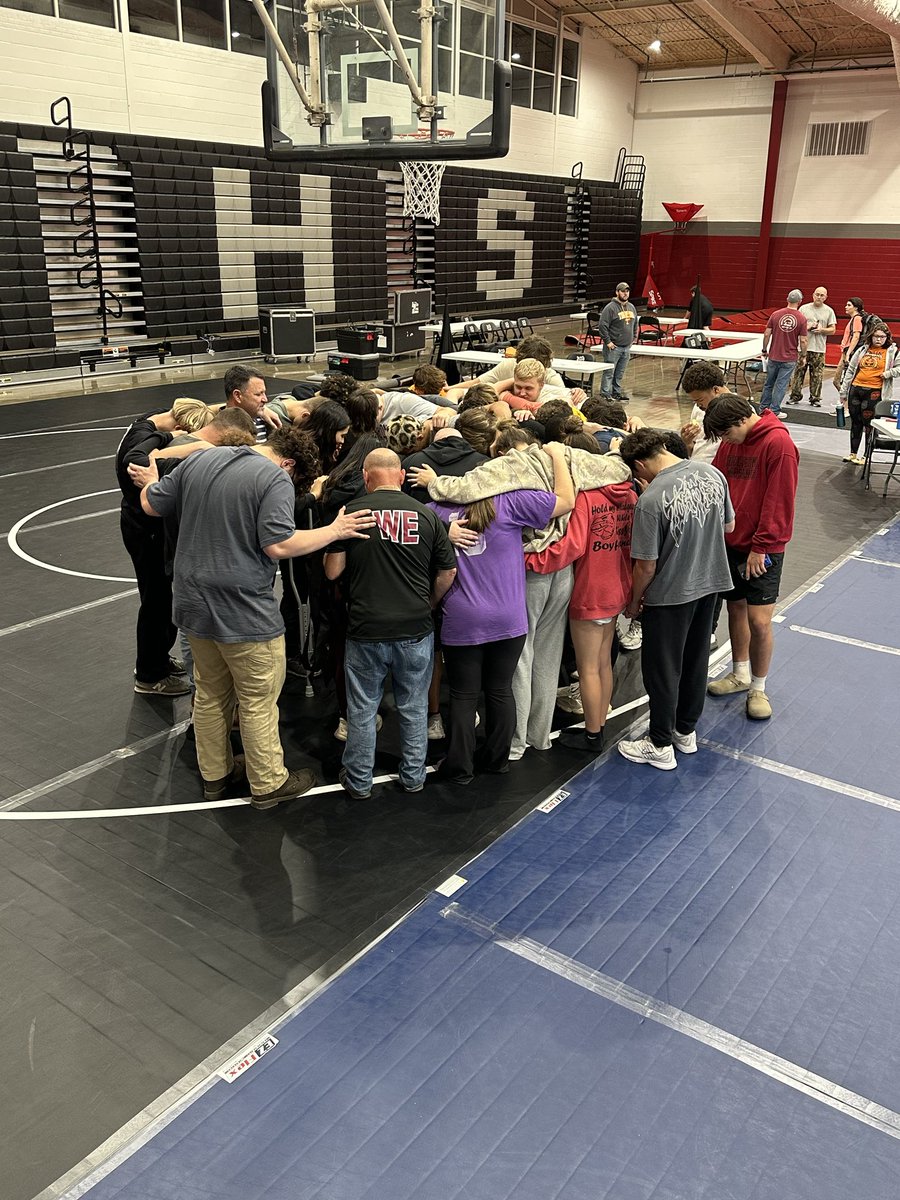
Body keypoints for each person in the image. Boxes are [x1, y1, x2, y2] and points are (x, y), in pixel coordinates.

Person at [133, 428, 375, 809]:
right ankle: (268, 783)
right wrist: (333, 531)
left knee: (210, 693)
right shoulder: (273, 477)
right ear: (289, 463)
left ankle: (215, 774)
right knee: (258, 698)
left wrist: (151, 482)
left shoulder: (199, 460)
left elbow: (150, 505)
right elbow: (278, 544)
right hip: (242, 609)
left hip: (193, 603)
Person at [425, 441, 575, 784]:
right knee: (500, 689)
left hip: (462, 618)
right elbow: (567, 501)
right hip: (509, 618)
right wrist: (555, 456)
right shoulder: (512, 501)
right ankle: (497, 760)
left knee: (463, 695)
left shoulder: (438, 510)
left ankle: (459, 767)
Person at [324, 449, 457, 799]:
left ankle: (358, 782)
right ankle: (413, 777)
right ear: (399, 477)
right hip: (414, 627)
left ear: (367, 479)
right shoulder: (427, 516)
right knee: (414, 707)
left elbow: (333, 571)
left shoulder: (352, 513)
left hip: (366, 628)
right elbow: (448, 572)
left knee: (363, 708)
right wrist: (428, 603)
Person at [613, 430, 734, 770]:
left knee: (662, 670)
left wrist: (635, 602)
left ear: (639, 465)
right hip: (710, 584)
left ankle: (659, 743)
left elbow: (646, 565)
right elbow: (729, 525)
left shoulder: (651, 500)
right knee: (696, 662)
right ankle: (685, 731)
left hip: (670, 595)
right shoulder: (713, 474)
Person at [526, 449, 636, 756]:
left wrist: (530, 558)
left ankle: (592, 735)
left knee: (587, 668)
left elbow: (571, 546)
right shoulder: (630, 495)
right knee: (603, 663)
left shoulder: (587, 499)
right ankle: (599, 722)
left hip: (590, 591)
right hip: (617, 587)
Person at [703, 393, 799, 722]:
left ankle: (758, 686)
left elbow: (780, 501)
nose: (725, 441)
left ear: (742, 420)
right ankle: (739, 673)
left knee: (759, 621)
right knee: (736, 609)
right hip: (731, 540)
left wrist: (762, 546)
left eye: (727, 433)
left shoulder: (778, 445)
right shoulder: (732, 442)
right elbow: (717, 483)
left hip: (762, 546)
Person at [115, 400, 213, 697]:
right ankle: (149, 675)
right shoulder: (148, 441)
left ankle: (156, 658)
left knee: (158, 600)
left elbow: (178, 413)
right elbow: (137, 459)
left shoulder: (147, 421)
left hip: (138, 524)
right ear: (180, 428)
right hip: (147, 531)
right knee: (157, 603)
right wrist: (176, 445)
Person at [839, 323, 899, 466]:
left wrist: (888, 373)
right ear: (871, 337)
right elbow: (851, 369)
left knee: (869, 425)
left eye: (882, 337)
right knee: (855, 423)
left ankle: (867, 455)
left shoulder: (893, 352)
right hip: (856, 388)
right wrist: (843, 390)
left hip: (875, 391)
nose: (879, 339)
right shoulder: (862, 350)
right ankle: (853, 453)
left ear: (887, 338)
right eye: (876, 336)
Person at [760, 290, 808, 420]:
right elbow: (803, 340)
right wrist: (803, 355)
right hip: (789, 357)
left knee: (769, 383)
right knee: (781, 385)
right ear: (800, 302)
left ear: (787, 299)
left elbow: (766, 334)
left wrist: (764, 349)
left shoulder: (775, 315)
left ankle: (763, 408)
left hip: (774, 355)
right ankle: (774, 410)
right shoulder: (802, 318)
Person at [787, 286, 836, 407]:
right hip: (802, 347)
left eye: (822, 295)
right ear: (813, 295)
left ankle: (815, 398)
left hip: (819, 348)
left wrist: (822, 329)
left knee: (817, 374)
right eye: (817, 294)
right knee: (798, 372)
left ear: (825, 297)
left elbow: (833, 330)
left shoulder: (829, 311)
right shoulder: (804, 308)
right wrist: (807, 327)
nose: (819, 297)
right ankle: (795, 396)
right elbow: (796, 325)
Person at [598, 282, 637, 402]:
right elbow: (602, 326)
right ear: (617, 292)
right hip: (613, 347)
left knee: (619, 372)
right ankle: (605, 394)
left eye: (627, 291)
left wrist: (633, 337)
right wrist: (608, 341)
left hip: (626, 347)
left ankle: (616, 393)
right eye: (623, 291)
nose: (625, 293)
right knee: (609, 372)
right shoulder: (610, 308)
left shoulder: (631, 307)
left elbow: (635, 324)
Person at [222, 364, 275, 441]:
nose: (265, 399)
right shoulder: (222, 430)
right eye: (258, 394)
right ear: (237, 396)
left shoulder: (267, 419)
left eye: (264, 393)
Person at [834, 297, 866, 395]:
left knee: (840, 380)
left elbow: (856, 336)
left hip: (849, 352)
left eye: (849, 305)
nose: (846, 307)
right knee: (840, 381)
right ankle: (845, 401)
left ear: (856, 308)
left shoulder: (857, 319)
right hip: (846, 351)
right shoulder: (853, 319)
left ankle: (845, 402)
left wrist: (848, 353)